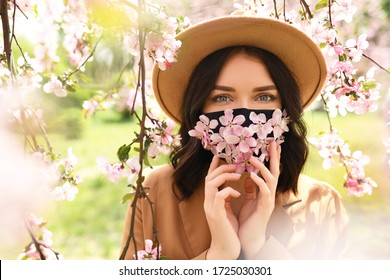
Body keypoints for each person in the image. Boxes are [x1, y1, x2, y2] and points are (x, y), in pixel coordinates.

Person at [121, 15, 349, 260]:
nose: (244, 113)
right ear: (198, 111)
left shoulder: (322, 204)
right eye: (221, 98)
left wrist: (259, 246)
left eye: (263, 97)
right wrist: (218, 255)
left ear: (285, 110)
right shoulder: (155, 191)